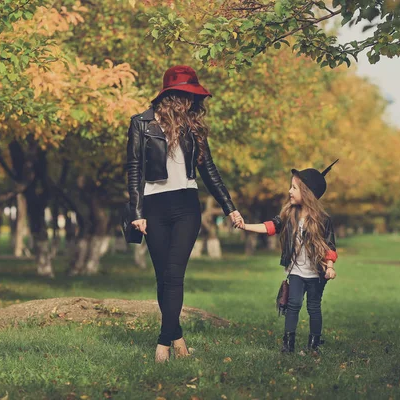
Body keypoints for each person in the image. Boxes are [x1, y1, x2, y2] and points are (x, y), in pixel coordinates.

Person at [126, 65, 244, 363]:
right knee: (162, 277)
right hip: (153, 206)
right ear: (173, 96)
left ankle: (163, 344)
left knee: (175, 274)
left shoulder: (194, 127)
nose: (192, 101)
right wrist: (137, 211)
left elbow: (209, 171)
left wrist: (230, 207)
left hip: (186, 206)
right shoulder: (141, 123)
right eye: (188, 95)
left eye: (195, 96)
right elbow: (135, 168)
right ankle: (177, 338)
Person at [240, 161, 338, 353]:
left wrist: (330, 266)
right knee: (293, 305)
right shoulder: (289, 214)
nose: (289, 191)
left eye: (294, 187)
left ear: (307, 193)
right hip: (296, 271)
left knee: (313, 307)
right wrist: (245, 226)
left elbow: (329, 246)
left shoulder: (323, 220)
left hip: (317, 273)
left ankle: (314, 344)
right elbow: (270, 226)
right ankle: (288, 344)